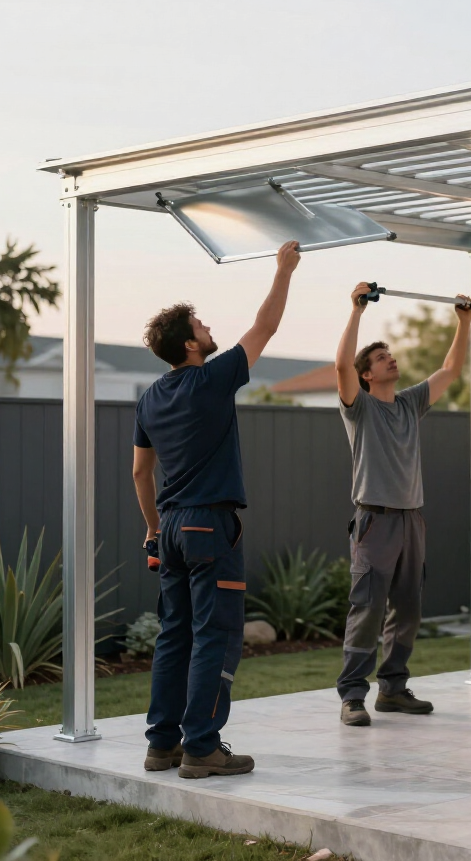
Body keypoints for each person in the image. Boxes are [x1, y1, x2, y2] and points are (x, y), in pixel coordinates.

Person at [132, 240, 302, 778]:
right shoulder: (211, 377)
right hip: (209, 524)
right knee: (215, 636)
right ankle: (202, 747)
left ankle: (162, 745)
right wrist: (284, 270)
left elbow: (140, 473)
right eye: (201, 326)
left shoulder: (150, 398)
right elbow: (265, 326)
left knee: (174, 637)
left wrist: (153, 530)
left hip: (172, 528)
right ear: (190, 344)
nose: (209, 330)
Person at [334, 281, 471, 726]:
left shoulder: (411, 403)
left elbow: (450, 369)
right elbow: (341, 364)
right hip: (374, 521)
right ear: (367, 375)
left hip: (412, 521)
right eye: (380, 357)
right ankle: (352, 696)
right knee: (367, 610)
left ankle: (392, 690)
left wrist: (464, 321)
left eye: (389, 354)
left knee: (408, 610)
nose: (390, 358)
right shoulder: (359, 407)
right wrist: (357, 310)